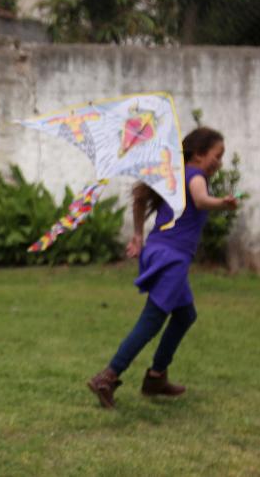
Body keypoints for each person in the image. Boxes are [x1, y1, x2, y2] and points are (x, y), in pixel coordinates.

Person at [87, 126, 238, 408]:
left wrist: (138, 235)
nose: (219, 162)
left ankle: (156, 376)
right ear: (199, 154)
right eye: (217, 155)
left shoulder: (173, 174)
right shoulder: (195, 175)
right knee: (151, 321)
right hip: (172, 259)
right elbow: (200, 200)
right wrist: (222, 203)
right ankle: (107, 377)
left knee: (184, 315)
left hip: (161, 250)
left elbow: (140, 198)